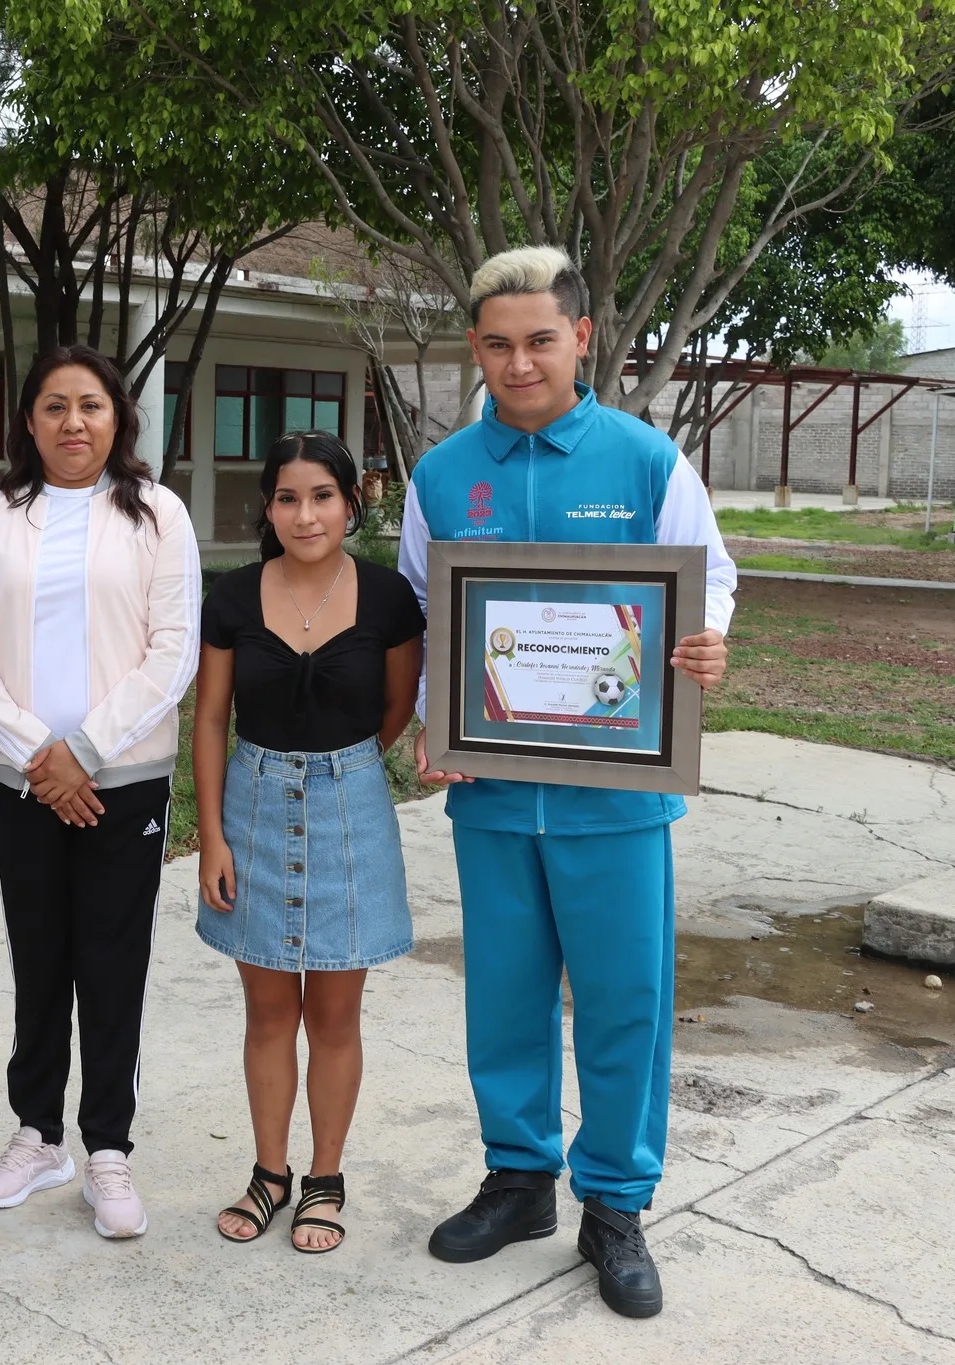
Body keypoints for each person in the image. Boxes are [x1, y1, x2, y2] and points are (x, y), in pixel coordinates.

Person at [400, 246, 736, 1318]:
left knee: (622, 1003)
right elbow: (421, 611)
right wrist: (427, 719)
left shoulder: (642, 461)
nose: (518, 361)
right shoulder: (445, 474)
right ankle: (516, 1179)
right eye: (496, 343)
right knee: (500, 997)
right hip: (491, 794)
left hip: (615, 795)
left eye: (538, 339)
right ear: (475, 349)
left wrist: (705, 640)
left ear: (580, 338)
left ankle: (614, 1205)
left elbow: (707, 576)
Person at [0, 346, 200, 1240]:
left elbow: (173, 650)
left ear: (118, 418)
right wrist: (37, 756)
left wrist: (85, 751)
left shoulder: (157, 514)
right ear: (28, 421)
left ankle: (107, 1147)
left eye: (90, 406)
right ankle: (37, 1133)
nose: (72, 423)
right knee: (40, 954)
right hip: (23, 783)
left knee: (112, 959)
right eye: (53, 407)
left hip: (122, 781)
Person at [194, 431, 424, 1255]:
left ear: (351, 503)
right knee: (266, 1011)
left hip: (349, 805)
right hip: (250, 806)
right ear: (267, 508)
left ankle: (325, 1177)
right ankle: (268, 1171)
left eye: (322, 495)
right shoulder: (229, 598)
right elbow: (211, 719)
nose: (305, 513)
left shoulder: (392, 598)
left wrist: (348, 769)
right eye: (287, 497)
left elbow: (396, 708)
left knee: (334, 1010)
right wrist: (211, 835)